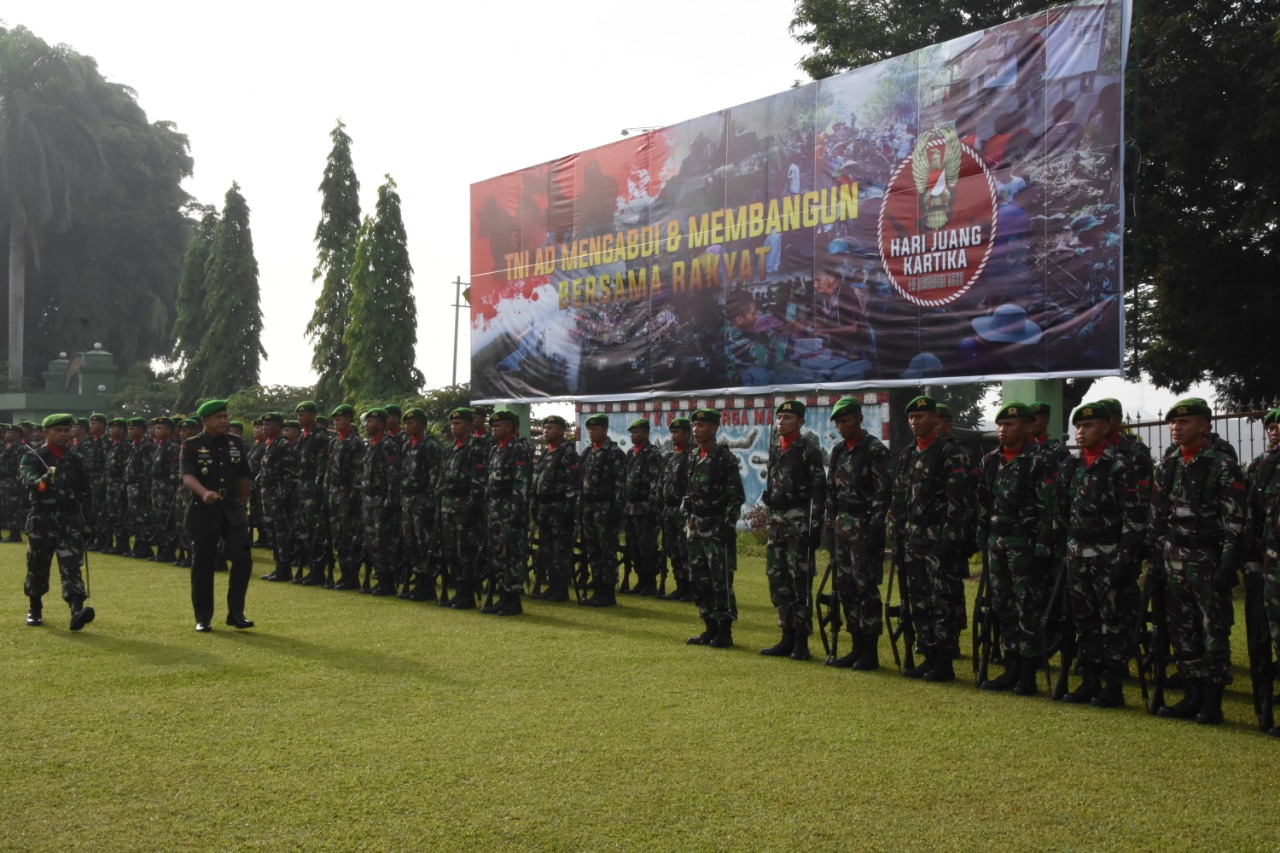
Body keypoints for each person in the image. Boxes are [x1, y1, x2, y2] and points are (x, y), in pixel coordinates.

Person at [1148, 398, 1246, 725]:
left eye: (1184, 421)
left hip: (1208, 559)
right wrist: (1158, 559)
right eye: (1173, 423)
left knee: (1213, 630)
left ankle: (1212, 700)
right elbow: (1158, 517)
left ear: (1203, 425)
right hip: (1174, 558)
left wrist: (1228, 562)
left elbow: (1235, 518)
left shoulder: (1220, 464)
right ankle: (1191, 694)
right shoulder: (1168, 464)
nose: (1176, 428)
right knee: (1182, 629)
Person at [1056, 401, 1144, 707]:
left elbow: (1133, 516)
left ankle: (1114, 684)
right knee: (1084, 620)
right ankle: (1090, 679)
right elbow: (1062, 511)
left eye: (1088, 426)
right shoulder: (1071, 466)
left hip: (1109, 556)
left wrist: (1125, 558)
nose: (1081, 432)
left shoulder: (1119, 465)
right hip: (1077, 555)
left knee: (1113, 621)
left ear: (1105, 428)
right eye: (1078, 427)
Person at [975, 403, 1057, 696]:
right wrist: (982, 538)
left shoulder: (1039, 461)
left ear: (1026, 427)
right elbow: (984, 504)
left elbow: (1049, 510)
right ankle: (1010, 667)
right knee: (1003, 606)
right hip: (997, 543)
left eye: (1009, 425)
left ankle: (1027, 674)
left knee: (1028, 607)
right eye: (1000, 425)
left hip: (1026, 544)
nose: (1002, 430)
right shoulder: (990, 461)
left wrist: (1042, 550)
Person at [889, 396, 969, 682]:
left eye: (920, 417)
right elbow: (898, 497)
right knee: (918, 598)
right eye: (911, 418)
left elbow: (957, 500)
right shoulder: (907, 453)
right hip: (912, 535)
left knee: (941, 600)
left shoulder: (949, 452)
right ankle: (928, 654)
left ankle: (944, 661)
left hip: (938, 536)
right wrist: (896, 532)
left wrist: (950, 538)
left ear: (935, 419)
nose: (914, 422)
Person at [823, 396, 892, 670]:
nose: (842, 426)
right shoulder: (839, 450)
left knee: (866, 587)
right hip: (843, 523)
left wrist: (876, 526)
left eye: (846, 420)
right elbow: (831, 492)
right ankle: (855, 646)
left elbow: (882, 491)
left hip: (865, 524)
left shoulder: (874, 449)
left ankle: (870, 651)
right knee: (846, 587)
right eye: (839, 422)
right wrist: (829, 526)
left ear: (859, 419)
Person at [759, 400, 827, 661]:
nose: (781, 422)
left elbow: (819, 490)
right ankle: (785, 635)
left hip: (799, 521)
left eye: (787, 417)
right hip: (776, 523)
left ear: (800, 422)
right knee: (778, 581)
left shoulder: (808, 449)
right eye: (779, 418)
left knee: (800, 581)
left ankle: (801, 641)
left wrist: (817, 525)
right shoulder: (775, 447)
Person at [181, 399, 254, 633]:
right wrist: (204, 493)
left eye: (225, 416)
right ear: (205, 421)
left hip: (231, 509)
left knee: (242, 558)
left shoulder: (236, 443)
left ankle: (236, 613)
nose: (224, 421)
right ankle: (203, 617)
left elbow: (243, 477)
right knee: (203, 564)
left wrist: (243, 507)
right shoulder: (191, 445)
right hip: (204, 510)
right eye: (218, 417)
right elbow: (187, 477)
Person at [19, 414, 96, 630]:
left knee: (72, 566)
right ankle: (35, 608)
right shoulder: (33, 456)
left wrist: (86, 521)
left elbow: (85, 491)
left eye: (66, 430)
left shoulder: (75, 458)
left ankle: (76, 611)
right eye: (58, 430)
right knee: (37, 567)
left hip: (70, 521)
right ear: (46, 433)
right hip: (41, 521)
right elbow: (26, 478)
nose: (64, 434)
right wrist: (40, 482)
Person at [683, 408, 744, 648]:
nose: (697, 430)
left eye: (702, 425)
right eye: (695, 425)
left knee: (720, 582)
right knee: (699, 579)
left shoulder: (723, 458)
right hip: (697, 527)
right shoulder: (693, 456)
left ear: (714, 428)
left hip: (717, 528)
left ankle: (724, 631)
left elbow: (735, 497)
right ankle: (709, 627)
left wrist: (727, 526)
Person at [481, 409, 532, 615]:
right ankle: (502, 595)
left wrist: (514, 513)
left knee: (511, 555)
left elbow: (521, 484)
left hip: (510, 511)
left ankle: (513, 599)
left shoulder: (518, 449)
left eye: (498, 425)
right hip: (494, 510)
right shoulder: (496, 449)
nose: (494, 429)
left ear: (509, 427)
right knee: (497, 556)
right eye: (492, 426)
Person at [438, 407, 487, 608]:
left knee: (465, 551)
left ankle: (467, 593)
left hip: (464, 509)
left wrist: (470, 509)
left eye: (457, 423)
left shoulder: (476, 449)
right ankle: (458, 590)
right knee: (450, 551)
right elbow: (442, 478)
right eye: (452, 424)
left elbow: (478, 483)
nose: (453, 427)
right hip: (447, 507)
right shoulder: (450, 449)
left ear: (468, 425)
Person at [530, 414, 580, 603]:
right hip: (544, 507)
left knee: (560, 550)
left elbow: (572, 482)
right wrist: (534, 505)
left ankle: (561, 589)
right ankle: (551, 586)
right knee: (546, 549)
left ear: (560, 430)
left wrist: (568, 509)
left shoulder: (567, 451)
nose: (546, 430)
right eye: (545, 427)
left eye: (550, 427)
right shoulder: (546, 451)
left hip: (559, 507)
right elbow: (537, 480)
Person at [579, 414, 625, 607]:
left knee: (607, 550)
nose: (591, 432)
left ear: (605, 430)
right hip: (589, 507)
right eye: (589, 429)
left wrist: (616, 510)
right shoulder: (588, 452)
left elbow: (620, 483)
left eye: (595, 429)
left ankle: (607, 591)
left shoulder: (614, 452)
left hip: (606, 508)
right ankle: (597, 587)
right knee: (593, 550)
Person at [398, 407, 441, 601]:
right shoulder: (407, 444)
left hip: (422, 500)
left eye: (412, 422)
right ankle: (417, 581)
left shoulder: (429, 445)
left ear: (423, 424)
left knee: (424, 542)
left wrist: (430, 502)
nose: (408, 425)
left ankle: (427, 585)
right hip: (407, 500)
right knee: (411, 542)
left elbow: (434, 476)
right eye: (406, 422)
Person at [358, 408, 402, 596]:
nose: (367, 424)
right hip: (368, 500)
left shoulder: (388, 445)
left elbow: (393, 477)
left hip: (382, 501)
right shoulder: (370, 445)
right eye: (367, 421)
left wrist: (389, 504)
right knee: (371, 543)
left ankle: (388, 581)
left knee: (384, 542)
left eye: (372, 421)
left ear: (382, 424)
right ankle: (380, 577)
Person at [621, 418, 664, 595]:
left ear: (645, 433)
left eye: (636, 432)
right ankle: (641, 580)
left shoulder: (652, 453)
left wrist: (652, 507)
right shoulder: (631, 453)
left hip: (645, 509)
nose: (633, 435)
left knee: (647, 547)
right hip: (630, 508)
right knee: (633, 547)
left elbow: (655, 482)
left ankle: (650, 582)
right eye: (631, 432)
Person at [324, 405, 364, 591]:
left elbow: (357, 474)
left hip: (347, 498)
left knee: (348, 538)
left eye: (339, 419)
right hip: (334, 496)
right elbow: (329, 471)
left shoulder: (354, 442)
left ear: (348, 420)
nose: (336, 422)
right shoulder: (335, 442)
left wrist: (352, 499)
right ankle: (344, 574)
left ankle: (351, 576)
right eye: (334, 419)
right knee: (338, 538)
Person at [292, 401, 331, 586]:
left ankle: (318, 570)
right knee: (304, 529)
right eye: (299, 415)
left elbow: (322, 465)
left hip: (313, 489)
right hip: (302, 487)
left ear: (314, 416)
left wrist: (318, 488)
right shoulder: (303, 436)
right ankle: (309, 567)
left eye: (304, 414)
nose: (301, 418)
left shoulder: (320, 436)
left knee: (316, 530)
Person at [257, 412, 298, 583]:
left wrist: (282, 497)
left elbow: (289, 473)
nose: (265, 427)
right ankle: (279, 566)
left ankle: (284, 568)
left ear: (278, 427)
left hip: (277, 497)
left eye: (269, 425)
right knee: (272, 531)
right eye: (264, 424)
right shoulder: (270, 444)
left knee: (281, 533)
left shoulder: (283, 445)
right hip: (268, 495)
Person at [658, 417, 695, 602]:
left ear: (687, 434)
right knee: (673, 550)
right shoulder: (669, 457)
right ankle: (680, 585)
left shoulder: (691, 456)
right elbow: (661, 484)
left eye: (677, 432)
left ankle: (690, 588)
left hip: (683, 512)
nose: (673, 436)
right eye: (672, 432)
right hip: (669, 511)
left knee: (685, 550)